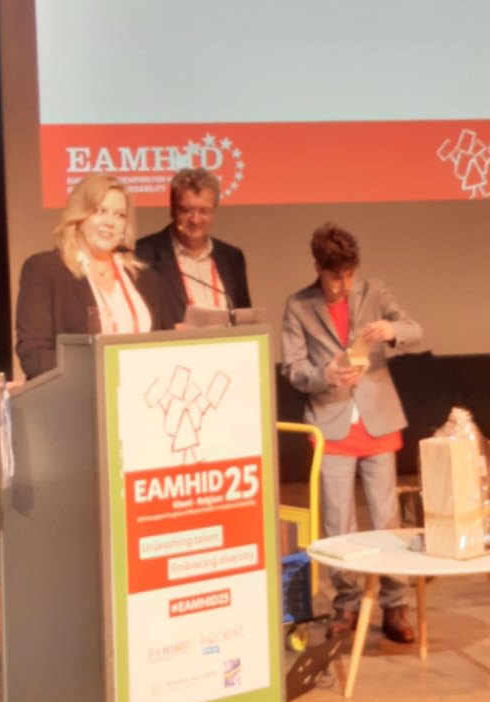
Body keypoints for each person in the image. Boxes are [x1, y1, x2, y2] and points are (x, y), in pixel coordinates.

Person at [281, 222, 422, 643]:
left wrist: (392, 331)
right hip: (332, 422)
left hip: (377, 420)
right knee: (338, 523)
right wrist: (325, 375)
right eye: (334, 277)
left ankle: (395, 604)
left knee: (387, 519)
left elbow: (414, 329)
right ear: (319, 269)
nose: (342, 285)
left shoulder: (374, 291)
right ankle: (346, 604)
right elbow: (293, 368)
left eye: (348, 275)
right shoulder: (299, 305)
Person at [16, 173, 171, 379]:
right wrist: (106, 368)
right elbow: (35, 357)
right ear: (79, 217)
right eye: (100, 211)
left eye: (120, 215)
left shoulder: (145, 278)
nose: (110, 222)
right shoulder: (45, 270)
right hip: (76, 394)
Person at [135, 167, 251, 325]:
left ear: (214, 211)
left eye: (204, 211)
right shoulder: (144, 256)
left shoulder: (232, 258)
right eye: (187, 210)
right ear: (172, 209)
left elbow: (245, 322)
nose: (195, 220)